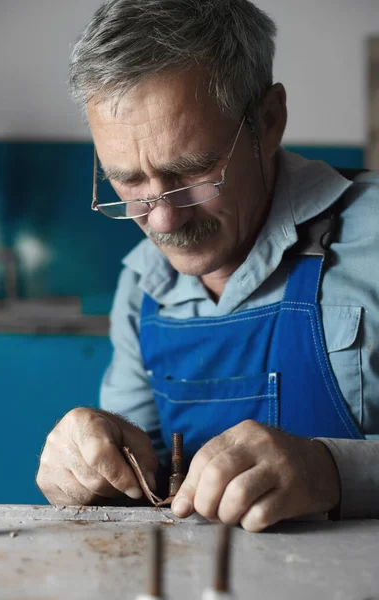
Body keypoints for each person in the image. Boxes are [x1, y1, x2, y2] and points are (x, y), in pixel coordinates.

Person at [36, 0, 379, 532]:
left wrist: (337, 471)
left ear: (268, 121)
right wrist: (86, 468)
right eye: (127, 181)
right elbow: (136, 498)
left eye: (192, 170)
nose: (163, 219)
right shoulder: (141, 287)